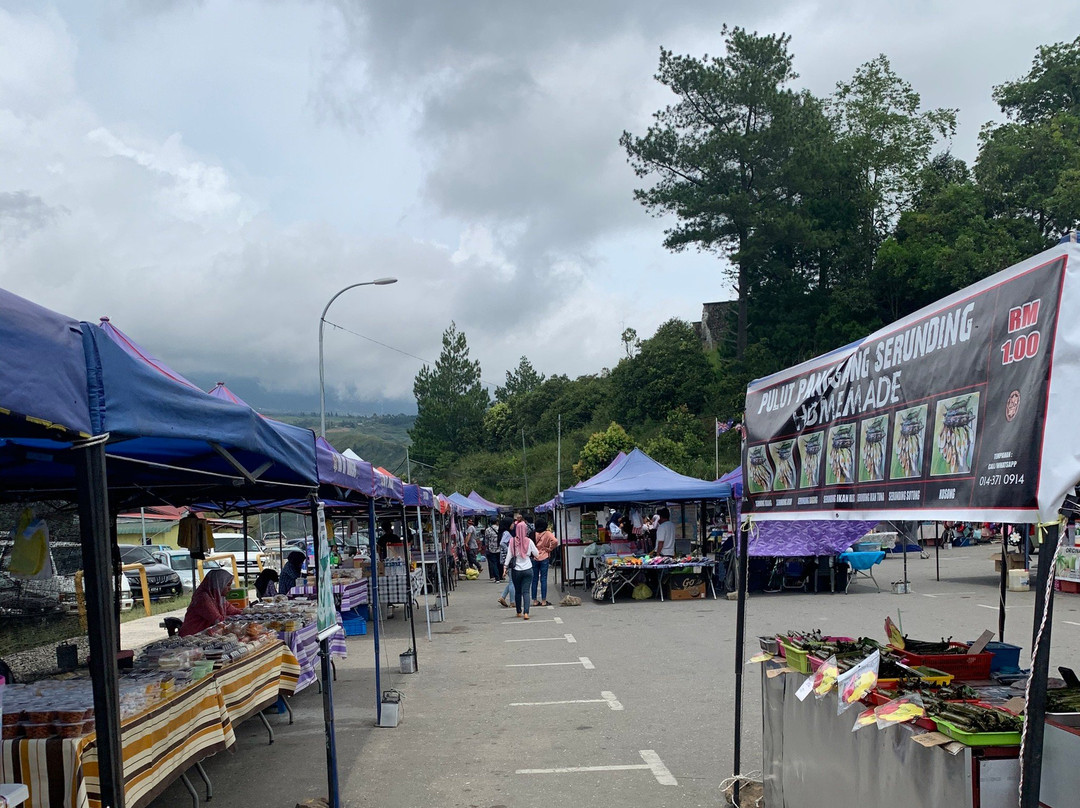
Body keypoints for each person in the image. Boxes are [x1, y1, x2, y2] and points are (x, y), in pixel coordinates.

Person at [180, 568, 242, 636]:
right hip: (192, 635)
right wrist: (237, 618)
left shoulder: (219, 598)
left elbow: (233, 611)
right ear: (219, 584)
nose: (230, 589)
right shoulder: (202, 598)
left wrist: (246, 612)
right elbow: (218, 620)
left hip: (206, 633)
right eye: (228, 585)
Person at [507, 514, 539, 618]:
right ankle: (526, 613)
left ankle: (518, 611)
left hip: (516, 570)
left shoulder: (512, 541)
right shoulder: (529, 541)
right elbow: (536, 553)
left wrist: (505, 567)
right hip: (528, 568)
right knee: (526, 591)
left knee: (518, 591)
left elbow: (509, 556)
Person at [531, 518, 559, 607]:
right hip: (544, 557)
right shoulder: (547, 533)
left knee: (534, 579)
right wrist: (550, 549)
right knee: (543, 579)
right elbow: (555, 541)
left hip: (534, 557)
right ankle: (543, 600)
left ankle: (534, 600)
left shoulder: (533, 533)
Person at [496, 517, 516, 607]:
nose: (513, 525)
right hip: (508, 559)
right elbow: (502, 543)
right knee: (512, 581)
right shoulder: (507, 533)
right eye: (512, 523)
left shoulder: (503, 533)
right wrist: (509, 550)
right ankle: (512, 601)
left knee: (512, 580)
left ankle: (503, 597)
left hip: (504, 559)